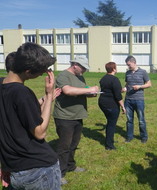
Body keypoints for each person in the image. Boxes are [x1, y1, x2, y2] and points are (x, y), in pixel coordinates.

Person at [0, 42, 61, 189]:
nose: (42, 73)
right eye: (41, 71)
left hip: (14, 167)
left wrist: (5, 164)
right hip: (38, 170)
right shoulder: (22, 93)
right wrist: (48, 95)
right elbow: (40, 132)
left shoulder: (3, 86)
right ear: (28, 71)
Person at [53, 55, 99, 184]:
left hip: (78, 115)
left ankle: (71, 166)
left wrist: (91, 93)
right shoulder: (63, 76)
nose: (84, 71)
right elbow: (67, 91)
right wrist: (89, 89)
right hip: (65, 116)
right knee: (64, 146)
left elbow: (81, 91)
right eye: (83, 68)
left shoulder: (80, 76)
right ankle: (59, 173)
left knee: (74, 144)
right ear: (75, 65)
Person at [123, 55, 152, 143]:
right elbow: (127, 84)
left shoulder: (143, 72)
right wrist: (125, 88)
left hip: (139, 100)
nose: (128, 66)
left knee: (141, 119)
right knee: (129, 120)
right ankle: (129, 136)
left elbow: (149, 84)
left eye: (129, 64)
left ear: (134, 62)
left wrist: (140, 86)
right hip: (128, 100)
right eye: (127, 65)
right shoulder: (127, 73)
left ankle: (143, 137)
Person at [98, 62, 126, 150]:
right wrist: (123, 107)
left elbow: (110, 90)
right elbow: (118, 96)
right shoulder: (114, 80)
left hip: (102, 103)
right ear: (114, 69)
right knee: (111, 124)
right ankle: (109, 145)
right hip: (111, 104)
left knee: (109, 122)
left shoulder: (103, 78)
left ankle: (110, 140)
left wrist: (120, 90)